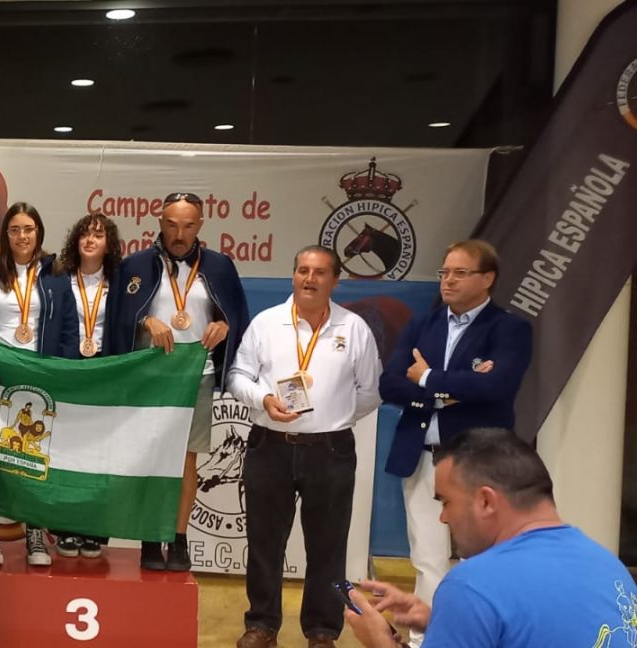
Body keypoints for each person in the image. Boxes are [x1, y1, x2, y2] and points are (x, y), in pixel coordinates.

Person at [344, 428, 637, 648]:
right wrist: (445, 623)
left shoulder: (472, 585)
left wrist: (382, 644)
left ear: (485, 501)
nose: (443, 518)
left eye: (445, 501)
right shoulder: (609, 566)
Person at [377, 239, 533, 647]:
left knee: (478, 558)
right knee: (426, 558)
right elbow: (389, 381)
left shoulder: (509, 329)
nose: (447, 280)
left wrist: (428, 379)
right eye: (444, 272)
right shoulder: (422, 324)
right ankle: (426, 641)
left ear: (487, 279)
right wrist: (445, 393)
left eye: (459, 273)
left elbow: (497, 385)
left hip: (477, 462)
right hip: (421, 456)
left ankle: (481, 638)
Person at [227, 245, 381, 648]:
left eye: (319, 272)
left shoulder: (355, 329)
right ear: (293, 275)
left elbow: (370, 392)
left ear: (335, 280)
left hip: (330, 451)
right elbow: (238, 376)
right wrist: (264, 401)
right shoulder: (266, 323)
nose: (309, 279)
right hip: (269, 446)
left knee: (328, 545)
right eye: (302, 271)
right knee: (264, 542)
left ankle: (322, 631)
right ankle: (261, 625)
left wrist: (332, 420)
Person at [109, 192, 250, 572]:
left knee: (187, 460)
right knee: (152, 458)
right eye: (172, 224)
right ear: (159, 221)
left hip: (196, 375)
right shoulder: (135, 265)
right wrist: (144, 322)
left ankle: (179, 537)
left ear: (201, 225)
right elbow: (118, 318)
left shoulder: (219, 266)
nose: (179, 233)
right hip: (150, 376)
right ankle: (150, 538)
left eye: (188, 225)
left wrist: (225, 325)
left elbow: (238, 316)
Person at [0, 203, 79, 566]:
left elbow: (67, 330)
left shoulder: (56, 275)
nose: (22, 236)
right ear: (6, 234)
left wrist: (60, 372)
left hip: (37, 380)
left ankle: (35, 533)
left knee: (34, 456)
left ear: (39, 233)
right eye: (15, 229)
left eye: (29, 228)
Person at [49, 213, 124, 559]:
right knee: (66, 452)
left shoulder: (121, 282)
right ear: (75, 241)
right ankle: (63, 526)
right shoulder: (60, 279)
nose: (90, 240)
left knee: (100, 454)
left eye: (98, 235)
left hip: (105, 375)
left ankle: (94, 528)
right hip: (69, 374)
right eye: (84, 234)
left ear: (109, 244)